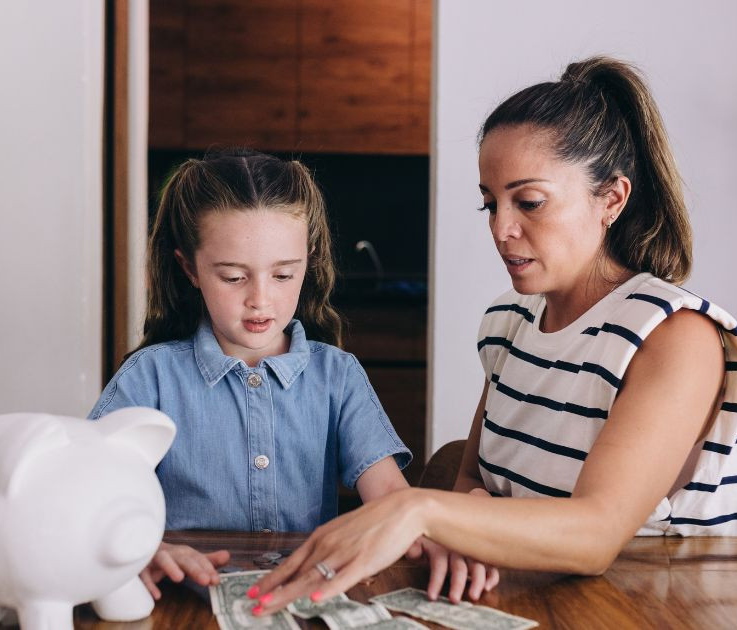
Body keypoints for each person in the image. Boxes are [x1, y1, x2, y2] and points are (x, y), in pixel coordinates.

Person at [248, 56, 737, 614]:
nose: (501, 229)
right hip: (529, 607)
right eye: (490, 203)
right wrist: (456, 516)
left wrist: (416, 509)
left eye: (529, 202)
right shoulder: (510, 323)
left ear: (611, 198)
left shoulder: (674, 335)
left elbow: (594, 536)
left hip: (646, 613)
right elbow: (475, 476)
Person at [88, 150, 477, 604]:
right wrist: (144, 549)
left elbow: (389, 496)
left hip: (300, 599)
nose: (260, 299)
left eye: (282, 274)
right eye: (234, 277)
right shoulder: (149, 377)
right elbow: (85, 492)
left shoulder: (338, 376)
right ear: (190, 268)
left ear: (307, 264)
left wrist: (429, 537)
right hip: (178, 603)